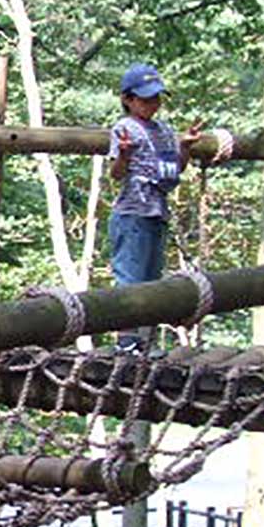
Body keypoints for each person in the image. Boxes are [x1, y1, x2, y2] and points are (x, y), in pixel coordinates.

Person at [107, 62, 200, 349]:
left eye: (155, 98)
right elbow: (116, 173)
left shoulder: (163, 130)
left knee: (152, 280)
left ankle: (145, 341)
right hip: (132, 212)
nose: (152, 104)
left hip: (157, 211)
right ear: (128, 99)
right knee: (131, 279)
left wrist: (184, 148)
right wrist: (123, 155)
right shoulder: (124, 128)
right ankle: (127, 342)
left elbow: (173, 168)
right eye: (145, 99)